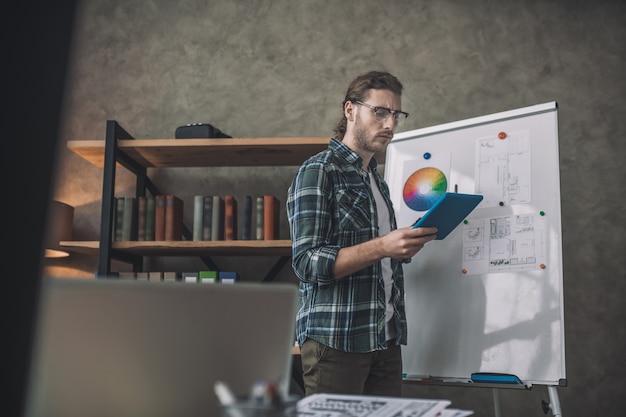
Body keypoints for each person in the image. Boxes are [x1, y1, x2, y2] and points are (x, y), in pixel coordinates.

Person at [286, 70, 438, 397]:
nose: (390, 125)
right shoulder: (319, 170)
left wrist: (401, 248)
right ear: (350, 110)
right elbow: (307, 264)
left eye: (396, 115)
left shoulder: (378, 182)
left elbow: (379, 257)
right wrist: (382, 246)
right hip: (336, 341)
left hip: (384, 339)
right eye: (380, 111)